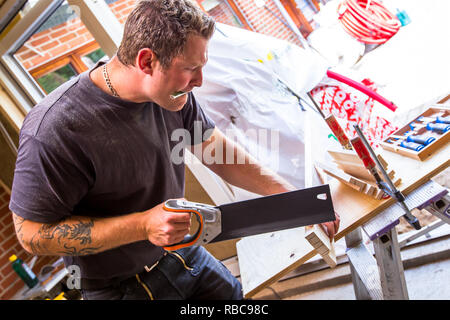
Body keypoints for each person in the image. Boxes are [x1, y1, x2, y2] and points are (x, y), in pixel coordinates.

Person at [9, 0, 339, 300]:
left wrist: (294, 201)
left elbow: (215, 150)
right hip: (117, 289)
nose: (199, 80)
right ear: (147, 60)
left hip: (183, 253)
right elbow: (31, 234)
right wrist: (142, 225)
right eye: (190, 68)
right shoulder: (54, 131)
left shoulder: (174, 94)